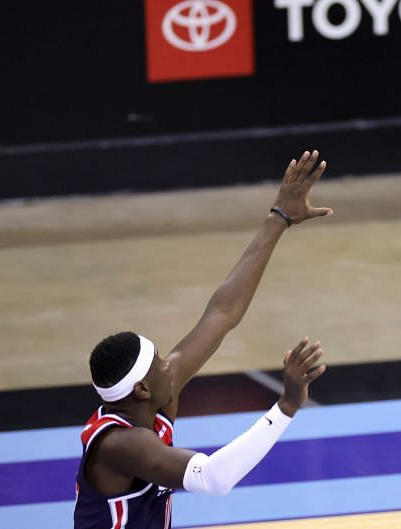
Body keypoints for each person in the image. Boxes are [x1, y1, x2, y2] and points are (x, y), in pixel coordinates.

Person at [74, 150, 332, 529]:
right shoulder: (121, 445)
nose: (171, 365)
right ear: (142, 389)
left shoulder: (149, 402)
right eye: (160, 363)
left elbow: (221, 314)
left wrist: (279, 217)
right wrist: (286, 406)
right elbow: (213, 478)